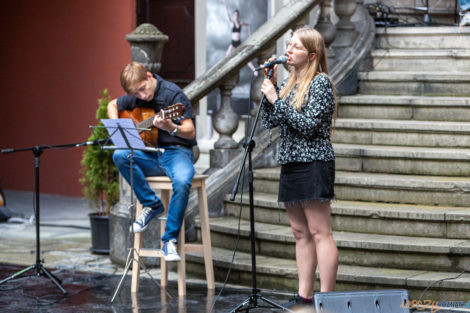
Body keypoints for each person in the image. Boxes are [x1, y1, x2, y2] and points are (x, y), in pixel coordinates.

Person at [259, 26, 338, 309]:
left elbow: (308, 126)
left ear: (312, 54)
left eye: (295, 47)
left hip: (314, 161)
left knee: (320, 232)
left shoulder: (320, 83)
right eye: (288, 45)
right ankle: (304, 294)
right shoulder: (290, 83)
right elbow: (271, 121)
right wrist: (271, 89)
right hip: (291, 162)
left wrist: (275, 100)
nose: (288, 50)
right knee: (299, 232)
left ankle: (327, 298)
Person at [107, 62, 197, 262]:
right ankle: (152, 204)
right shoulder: (135, 95)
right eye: (136, 94)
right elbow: (112, 104)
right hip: (150, 154)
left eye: (142, 90)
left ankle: (169, 240)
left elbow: (190, 131)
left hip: (177, 152)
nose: (141, 96)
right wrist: (116, 124)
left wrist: (171, 126)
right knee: (120, 155)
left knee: (182, 181)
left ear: (149, 76)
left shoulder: (173, 95)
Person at [220, 0, 257, 73]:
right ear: (233, 15)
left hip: (239, 43)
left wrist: (249, 34)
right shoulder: (232, 24)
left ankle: (254, 70)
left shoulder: (240, 23)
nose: (236, 16)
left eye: (237, 15)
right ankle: (226, 70)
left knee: (245, 57)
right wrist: (225, 4)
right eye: (235, 15)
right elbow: (227, 14)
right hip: (233, 43)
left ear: (238, 15)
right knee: (227, 55)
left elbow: (248, 25)